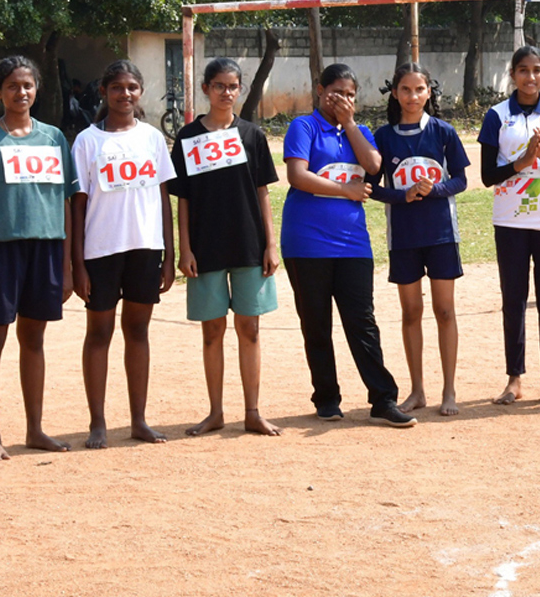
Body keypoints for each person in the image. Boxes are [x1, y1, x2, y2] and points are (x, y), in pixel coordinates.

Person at [0, 56, 79, 461]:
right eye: (12, 85)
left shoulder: (53, 138)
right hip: (0, 251)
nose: (21, 92)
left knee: (34, 339)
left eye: (27, 85)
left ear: (36, 89)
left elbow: (65, 202)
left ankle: (35, 429)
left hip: (45, 249)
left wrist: (66, 265)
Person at [280, 63, 415, 427]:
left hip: (352, 243)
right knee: (316, 323)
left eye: (350, 95)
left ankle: (383, 399)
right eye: (336, 92)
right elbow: (297, 176)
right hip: (306, 242)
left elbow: (373, 165)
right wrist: (345, 190)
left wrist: (350, 123)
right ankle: (326, 398)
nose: (343, 99)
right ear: (320, 90)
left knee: (362, 322)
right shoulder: (304, 126)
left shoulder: (361, 131)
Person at [170, 57, 282, 436]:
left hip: (249, 245)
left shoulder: (252, 135)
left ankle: (252, 411)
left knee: (249, 328)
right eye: (219, 85)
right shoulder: (187, 138)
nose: (226, 92)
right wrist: (185, 248)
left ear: (240, 89)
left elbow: (262, 192)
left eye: (233, 86)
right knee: (212, 331)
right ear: (206, 88)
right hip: (206, 247)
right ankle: (215, 412)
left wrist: (271, 244)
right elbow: (183, 198)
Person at [70, 60, 176, 448]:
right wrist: (77, 264)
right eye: (117, 87)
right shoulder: (87, 141)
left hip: (145, 247)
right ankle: (97, 422)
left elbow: (163, 199)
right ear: (104, 92)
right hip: (101, 250)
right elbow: (77, 205)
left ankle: (138, 420)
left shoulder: (151, 138)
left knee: (138, 331)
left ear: (140, 92)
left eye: (132, 87)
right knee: (99, 333)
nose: (125, 94)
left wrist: (169, 255)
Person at [478, 45, 540, 406]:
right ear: (512, 74)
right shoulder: (496, 116)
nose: (530, 77)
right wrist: (521, 162)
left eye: (537, 70)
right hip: (510, 221)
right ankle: (514, 379)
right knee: (514, 300)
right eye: (523, 70)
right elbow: (487, 176)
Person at [371, 63, 469, 417]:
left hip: (441, 234)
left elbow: (461, 180)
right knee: (411, 312)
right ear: (395, 93)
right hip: (404, 237)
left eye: (419, 89)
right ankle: (417, 390)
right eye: (405, 89)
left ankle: (449, 390)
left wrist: (435, 189)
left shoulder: (443, 131)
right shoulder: (383, 136)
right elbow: (372, 188)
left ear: (430, 92)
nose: (413, 96)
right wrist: (403, 195)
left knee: (444, 311)